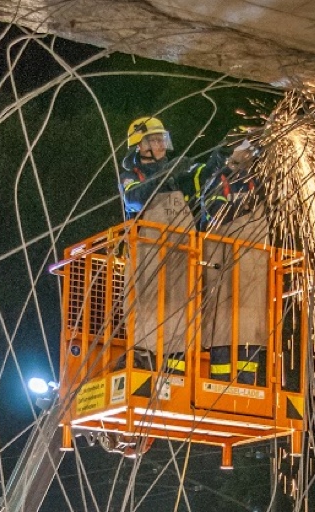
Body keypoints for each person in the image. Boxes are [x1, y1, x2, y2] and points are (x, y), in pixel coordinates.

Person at [118, 117, 215, 375]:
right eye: (154, 140)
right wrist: (166, 173)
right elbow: (134, 198)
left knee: (181, 308)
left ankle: (176, 370)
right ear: (139, 145)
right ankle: (144, 361)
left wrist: (221, 157)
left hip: (181, 253)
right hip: (147, 254)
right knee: (147, 306)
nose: (161, 144)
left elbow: (204, 176)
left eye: (162, 139)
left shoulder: (178, 175)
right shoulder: (131, 176)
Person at [199, 139, 269, 385]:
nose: (250, 155)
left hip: (251, 268)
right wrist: (243, 212)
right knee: (222, 325)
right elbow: (214, 215)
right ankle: (220, 385)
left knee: (249, 326)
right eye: (245, 150)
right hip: (221, 264)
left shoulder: (255, 182)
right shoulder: (216, 180)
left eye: (252, 151)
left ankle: (247, 385)